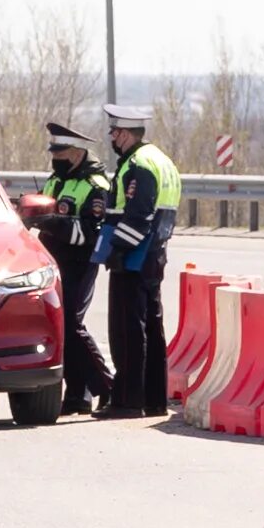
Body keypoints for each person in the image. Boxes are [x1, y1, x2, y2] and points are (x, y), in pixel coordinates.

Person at [92, 104, 182, 420]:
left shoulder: (138, 165)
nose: (112, 137)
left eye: (115, 132)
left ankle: (128, 400)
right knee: (152, 328)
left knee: (128, 330)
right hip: (155, 255)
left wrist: (117, 249)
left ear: (127, 133)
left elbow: (138, 215)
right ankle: (154, 399)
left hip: (134, 257)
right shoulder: (162, 160)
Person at [36, 121, 115, 416]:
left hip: (79, 264)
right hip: (51, 261)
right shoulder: (56, 180)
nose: (55, 158)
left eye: (61, 153)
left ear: (77, 152)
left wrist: (55, 224)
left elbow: (94, 234)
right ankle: (78, 396)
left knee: (71, 325)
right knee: (60, 327)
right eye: (53, 152)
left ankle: (107, 387)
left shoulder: (96, 187)